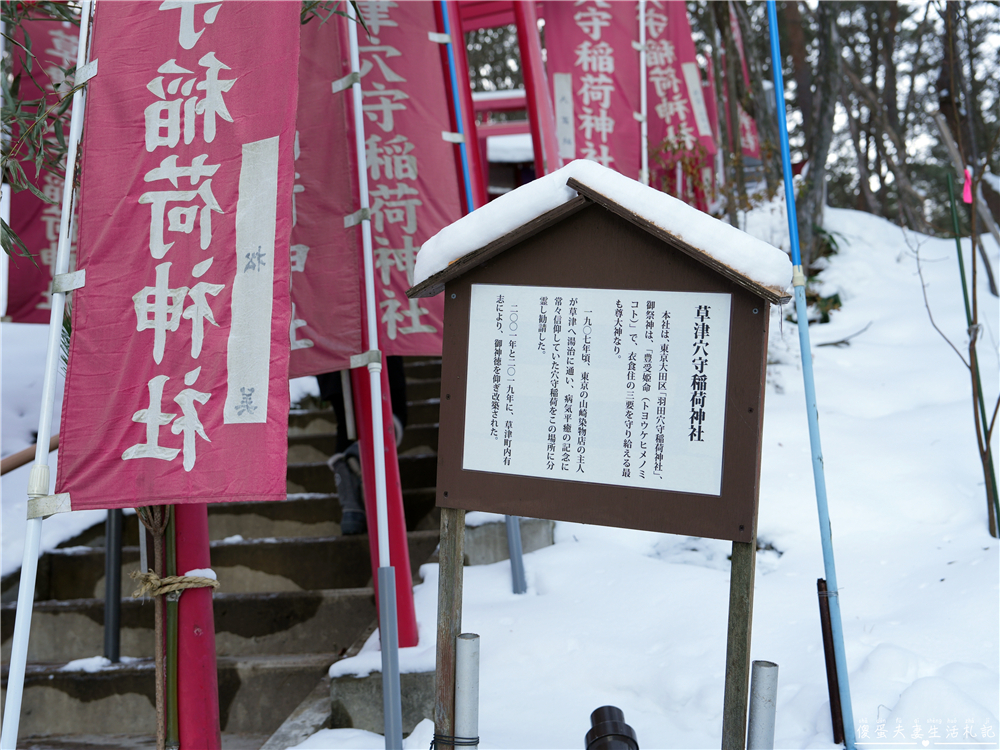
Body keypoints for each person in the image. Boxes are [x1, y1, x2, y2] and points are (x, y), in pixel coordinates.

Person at [315, 356, 408, 535]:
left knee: (346, 424)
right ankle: (359, 454)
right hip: (376, 350)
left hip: (331, 349)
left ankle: (352, 510)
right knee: (393, 414)